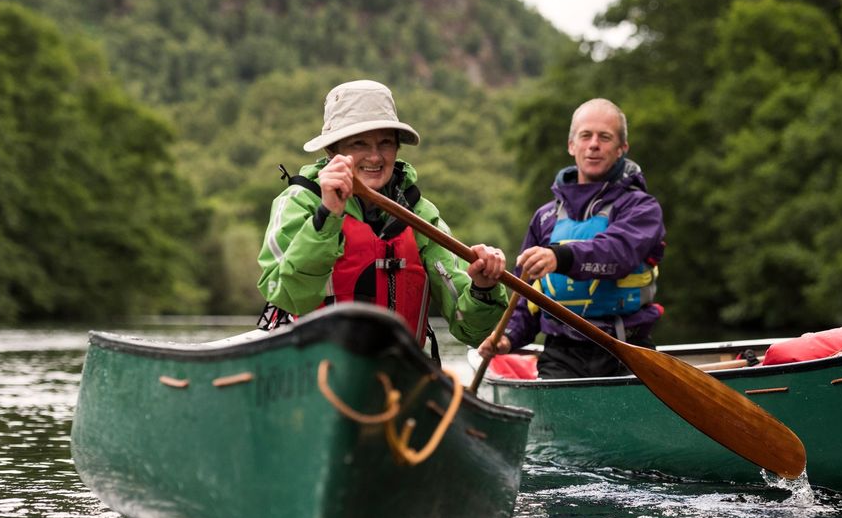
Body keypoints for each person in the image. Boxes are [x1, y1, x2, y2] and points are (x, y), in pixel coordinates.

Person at [256, 79, 509, 354]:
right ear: (332, 150)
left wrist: (483, 289)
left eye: (385, 143)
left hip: (399, 379)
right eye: (359, 143)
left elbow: (473, 332)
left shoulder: (421, 215)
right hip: (313, 373)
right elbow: (287, 295)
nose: (375, 157)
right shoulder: (297, 203)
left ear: (397, 148)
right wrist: (327, 215)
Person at [479, 98, 665, 378]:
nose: (593, 144)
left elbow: (617, 253)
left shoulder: (641, 208)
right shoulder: (545, 217)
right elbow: (525, 295)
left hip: (628, 349)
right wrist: (508, 338)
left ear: (621, 149)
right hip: (561, 355)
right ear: (571, 145)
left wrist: (559, 257)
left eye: (605, 137)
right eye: (585, 135)